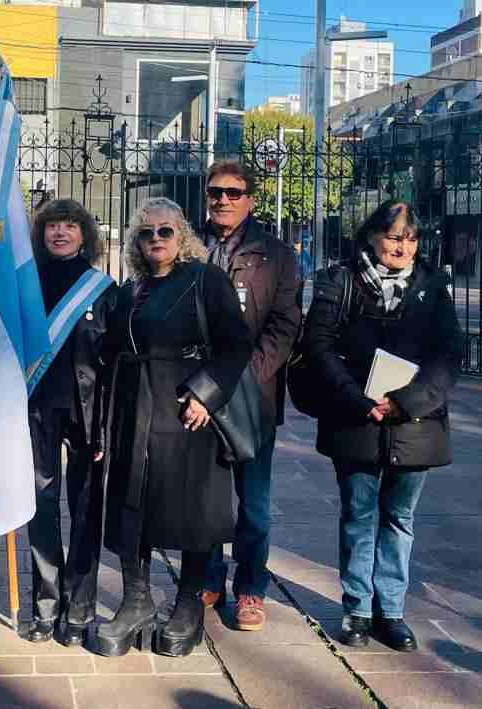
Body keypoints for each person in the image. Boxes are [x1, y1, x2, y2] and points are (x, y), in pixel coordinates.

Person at [91, 197, 252, 658]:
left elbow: (236, 345)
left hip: (187, 411)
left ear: (181, 235)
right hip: (136, 410)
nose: (156, 239)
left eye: (165, 230)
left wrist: (205, 394)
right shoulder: (131, 291)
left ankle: (188, 604)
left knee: (193, 510)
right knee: (132, 504)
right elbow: (109, 350)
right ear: (136, 242)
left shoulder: (206, 280)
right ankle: (136, 601)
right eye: (146, 233)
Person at [301, 201, 462, 652]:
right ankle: (357, 609)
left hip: (415, 422)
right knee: (358, 514)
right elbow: (318, 346)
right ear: (371, 237)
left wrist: (407, 402)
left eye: (411, 238)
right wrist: (357, 399)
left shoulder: (433, 286)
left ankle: (390, 611)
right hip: (356, 417)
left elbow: (449, 355)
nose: (403, 247)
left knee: (400, 517)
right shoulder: (340, 281)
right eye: (394, 237)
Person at [198, 161, 302, 632]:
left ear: (251, 200)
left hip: (252, 399)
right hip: (198, 397)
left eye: (233, 193)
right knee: (205, 498)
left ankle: (250, 588)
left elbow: (284, 327)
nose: (223, 200)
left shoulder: (275, 255)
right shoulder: (190, 246)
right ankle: (207, 579)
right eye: (215, 192)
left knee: (254, 504)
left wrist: (239, 380)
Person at [22, 199, 118, 645]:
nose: (60, 233)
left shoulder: (102, 289)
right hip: (36, 410)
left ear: (84, 235)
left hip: (87, 414)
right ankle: (46, 605)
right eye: (52, 226)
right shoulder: (25, 286)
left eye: (69, 225)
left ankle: (79, 607)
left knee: (85, 509)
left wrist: (107, 424)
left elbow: (113, 361)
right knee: (40, 508)